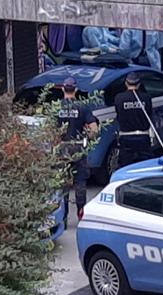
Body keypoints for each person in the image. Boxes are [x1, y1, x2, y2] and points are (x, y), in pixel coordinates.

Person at [58, 77, 98, 222]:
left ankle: (63, 216)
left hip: (62, 148)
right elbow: (94, 129)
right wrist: (89, 137)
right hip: (78, 146)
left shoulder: (56, 107)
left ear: (63, 89)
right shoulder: (82, 107)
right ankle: (81, 213)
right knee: (80, 181)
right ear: (75, 90)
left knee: (62, 184)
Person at [114, 72, 154, 168]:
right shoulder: (146, 97)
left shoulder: (119, 98)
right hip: (143, 136)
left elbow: (118, 114)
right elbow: (149, 114)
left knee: (125, 166)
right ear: (139, 84)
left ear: (126, 83)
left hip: (126, 137)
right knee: (146, 166)